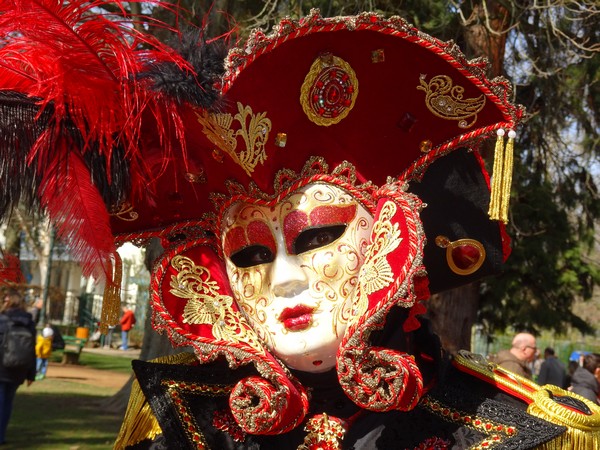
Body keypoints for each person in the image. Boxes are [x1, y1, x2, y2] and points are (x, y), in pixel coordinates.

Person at [0, 3, 599, 449]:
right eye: (252, 256)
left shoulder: (501, 424)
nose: (284, 280)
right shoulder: (187, 416)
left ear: (389, 241)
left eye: (317, 237)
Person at [0, 291, 35, 445]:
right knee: (7, 403)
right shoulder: (29, 322)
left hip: (1, 368)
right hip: (19, 369)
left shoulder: (2, 320)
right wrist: (31, 375)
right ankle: (1, 436)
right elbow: (32, 350)